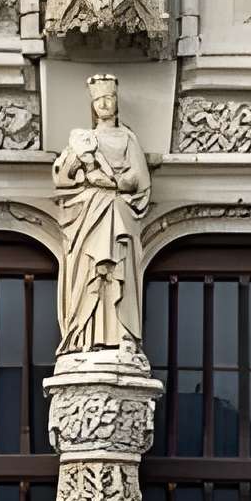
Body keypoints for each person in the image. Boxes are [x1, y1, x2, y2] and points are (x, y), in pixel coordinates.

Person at [52, 75, 151, 355]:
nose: (104, 104)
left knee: (118, 268)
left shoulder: (128, 138)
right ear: (92, 105)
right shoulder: (84, 138)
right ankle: (86, 333)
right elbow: (63, 176)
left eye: (109, 98)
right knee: (89, 271)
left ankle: (123, 332)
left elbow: (138, 177)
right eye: (98, 100)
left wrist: (114, 183)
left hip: (117, 208)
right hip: (89, 210)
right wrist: (80, 164)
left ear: (117, 102)